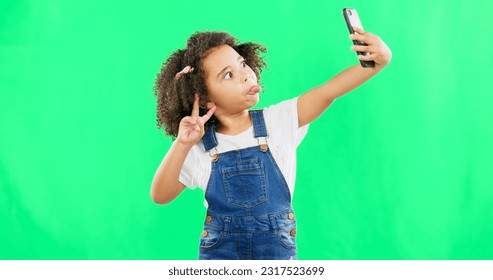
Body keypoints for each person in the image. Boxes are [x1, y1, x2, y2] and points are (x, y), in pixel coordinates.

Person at [151, 27, 391, 260]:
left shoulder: (279, 121)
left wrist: (377, 62)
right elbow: (160, 195)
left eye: (242, 63)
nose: (246, 74)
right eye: (228, 74)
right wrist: (182, 144)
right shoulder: (199, 147)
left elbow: (329, 91)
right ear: (203, 97)